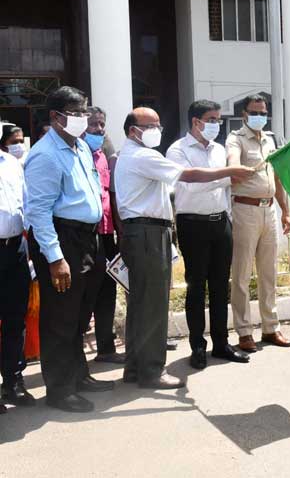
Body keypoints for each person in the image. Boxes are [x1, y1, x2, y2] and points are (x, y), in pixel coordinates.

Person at [115, 107, 254, 389]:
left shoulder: (133, 154)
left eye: (159, 124)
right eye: (151, 125)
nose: (158, 129)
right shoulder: (143, 155)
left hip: (149, 230)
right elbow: (187, 177)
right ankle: (152, 370)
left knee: (142, 303)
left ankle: (136, 367)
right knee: (153, 304)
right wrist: (231, 171)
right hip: (148, 232)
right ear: (133, 130)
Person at [25, 86, 112, 413]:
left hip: (89, 238)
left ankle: (79, 375)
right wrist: (55, 258)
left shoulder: (78, 149)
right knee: (60, 318)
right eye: (76, 113)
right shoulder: (45, 155)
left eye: (84, 111)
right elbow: (39, 212)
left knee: (79, 314)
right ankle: (60, 390)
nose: (82, 118)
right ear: (56, 117)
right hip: (64, 241)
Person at [166, 100, 249, 370]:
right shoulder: (177, 151)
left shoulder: (219, 149)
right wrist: (226, 177)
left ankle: (221, 343)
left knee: (219, 285)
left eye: (218, 120)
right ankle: (197, 346)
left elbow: (223, 190)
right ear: (196, 121)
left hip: (219, 223)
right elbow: (189, 187)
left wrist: (228, 213)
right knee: (196, 287)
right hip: (192, 224)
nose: (216, 124)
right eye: (211, 119)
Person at [226, 94, 290, 352]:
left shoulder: (270, 140)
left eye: (263, 112)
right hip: (245, 210)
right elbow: (232, 163)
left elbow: (275, 179)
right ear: (244, 114)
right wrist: (236, 167)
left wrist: (285, 210)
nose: (259, 117)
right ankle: (244, 332)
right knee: (241, 275)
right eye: (255, 112)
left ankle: (270, 327)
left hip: (269, 211)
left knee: (268, 273)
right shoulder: (236, 139)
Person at [84, 107, 124, 364]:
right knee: (86, 295)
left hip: (107, 234)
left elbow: (111, 196)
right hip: (86, 236)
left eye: (102, 125)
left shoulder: (102, 156)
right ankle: (74, 357)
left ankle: (106, 349)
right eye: (94, 125)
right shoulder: (77, 156)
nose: (99, 130)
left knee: (108, 292)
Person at [0, 137, 34, 413]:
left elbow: (26, 204)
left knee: (15, 316)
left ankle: (13, 380)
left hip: (16, 247)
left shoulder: (12, 164)